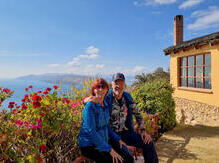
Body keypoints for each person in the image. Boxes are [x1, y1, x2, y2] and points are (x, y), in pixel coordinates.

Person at [85, 73, 159, 163]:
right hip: (110, 136)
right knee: (127, 157)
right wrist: (85, 100)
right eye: (116, 83)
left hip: (124, 133)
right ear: (112, 85)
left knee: (148, 142)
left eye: (121, 83)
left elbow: (137, 113)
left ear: (124, 85)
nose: (118, 86)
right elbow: (92, 100)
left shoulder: (127, 96)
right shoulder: (107, 97)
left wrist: (143, 131)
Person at [78, 78, 134, 163]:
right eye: (98, 87)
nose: (100, 89)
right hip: (89, 144)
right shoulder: (90, 106)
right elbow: (91, 131)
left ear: (107, 89)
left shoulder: (106, 104)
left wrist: (118, 139)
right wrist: (109, 149)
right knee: (118, 160)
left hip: (103, 142)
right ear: (94, 90)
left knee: (128, 158)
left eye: (103, 87)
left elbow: (107, 126)